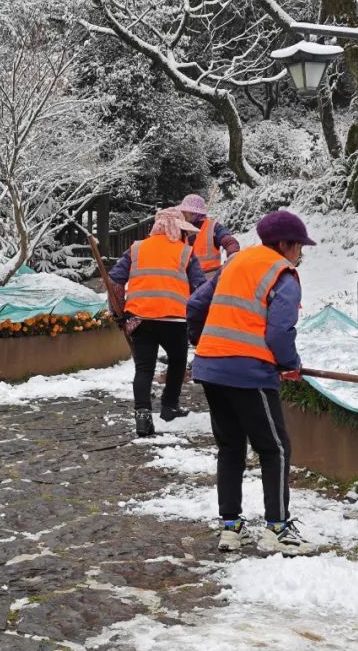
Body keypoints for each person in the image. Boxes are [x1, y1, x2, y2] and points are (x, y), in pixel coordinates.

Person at [186, 210, 316, 555]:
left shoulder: (236, 263)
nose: (301, 254)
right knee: (275, 448)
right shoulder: (282, 274)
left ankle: (231, 528)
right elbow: (279, 331)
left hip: (211, 368)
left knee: (230, 448)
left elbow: (197, 302)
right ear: (285, 245)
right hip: (249, 372)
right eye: (300, 246)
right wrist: (290, 365)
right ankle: (278, 529)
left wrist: (205, 344)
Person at [107, 207, 207, 437]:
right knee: (178, 361)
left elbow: (115, 281)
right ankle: (169, 406)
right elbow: (201, 288)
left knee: (144, 368)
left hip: (141, 319)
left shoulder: (137, 248)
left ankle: (142, 414)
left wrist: (119, 312)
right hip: (174, 319)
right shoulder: (186, 252)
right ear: (177, 230)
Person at [179, 193, 241, 275]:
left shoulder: (213, 227)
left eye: (185, 212)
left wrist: (231, 257)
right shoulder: (181, 229)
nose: (182, 214)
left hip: (208, 280)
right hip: (186, 281)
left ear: (194, 213)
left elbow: (230, 243)